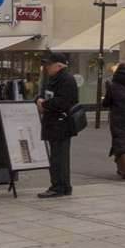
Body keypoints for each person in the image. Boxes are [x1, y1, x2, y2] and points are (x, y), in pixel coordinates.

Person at [35, 54, 78, 198]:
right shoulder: (53, 78)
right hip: (53, 122)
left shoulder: (67, 79)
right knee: (58, 156)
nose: (47, 67)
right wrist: (39, 100)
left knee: (59, 156)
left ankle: (58, 186)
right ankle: (63, 186)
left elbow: (62, 102)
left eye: (50, 64)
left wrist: (45, 105)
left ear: (59, 66)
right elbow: (43, 93)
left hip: (61, 123)